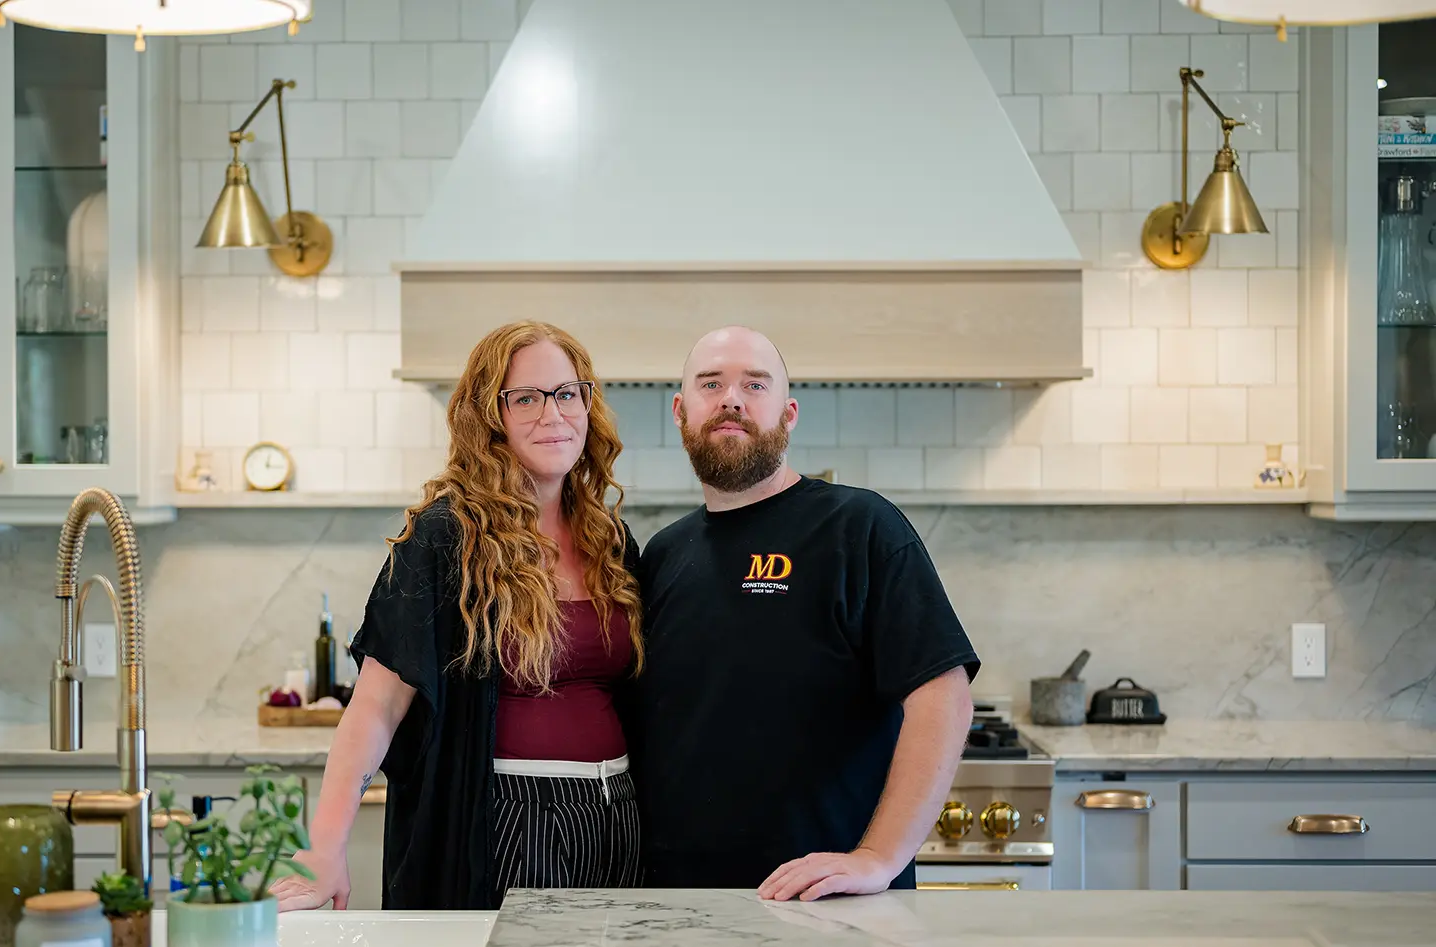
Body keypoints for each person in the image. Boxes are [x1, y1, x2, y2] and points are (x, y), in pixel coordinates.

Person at [272, 321, 645, 912]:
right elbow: (375, 705)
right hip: (506, 821)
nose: (553, 415)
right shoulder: (449, 538)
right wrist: (324, 848)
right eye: (525, 398)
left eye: (567, 393)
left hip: (616, 815)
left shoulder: (610, 540)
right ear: (488, 416)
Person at [631, 325, 979, 902]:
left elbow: (944, 698)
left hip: (825, 904)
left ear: (788, 413)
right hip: (681, 905)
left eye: (754, 384)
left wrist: (878, 858)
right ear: (680, 410)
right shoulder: (665, 553)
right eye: (711, 383)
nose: (731, 399)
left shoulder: (860, 528)